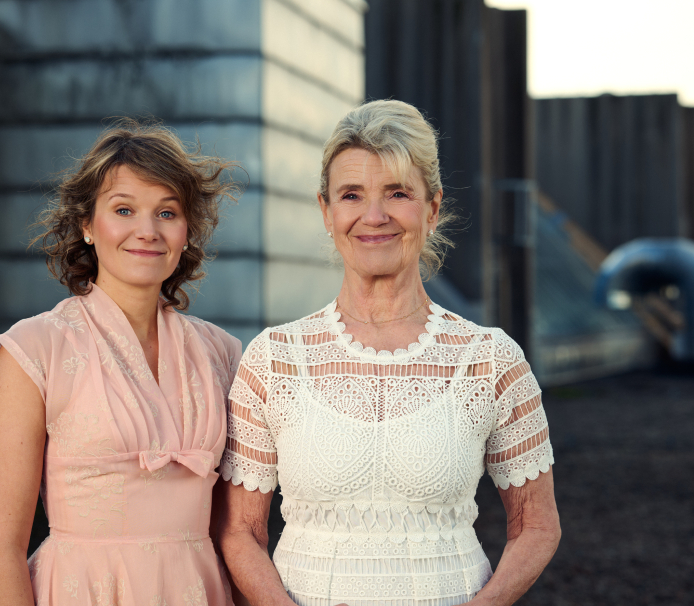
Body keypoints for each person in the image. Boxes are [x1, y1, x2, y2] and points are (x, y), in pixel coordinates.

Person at [218, 100, 560, 606]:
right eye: (351, 195)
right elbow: (240, 530)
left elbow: (536, 524)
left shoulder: (490, 359)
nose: (373, 216)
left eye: (397, 193)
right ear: (326, 210)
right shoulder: (274, 358)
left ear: (432, 207)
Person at [0, 120, 243, 606]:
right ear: (86, 225)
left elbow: (237, 531)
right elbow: (1, 548)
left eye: (167, 212)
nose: (147, 231)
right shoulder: (33, 349)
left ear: (187, 231)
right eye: (124, 209)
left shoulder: (222, 352)